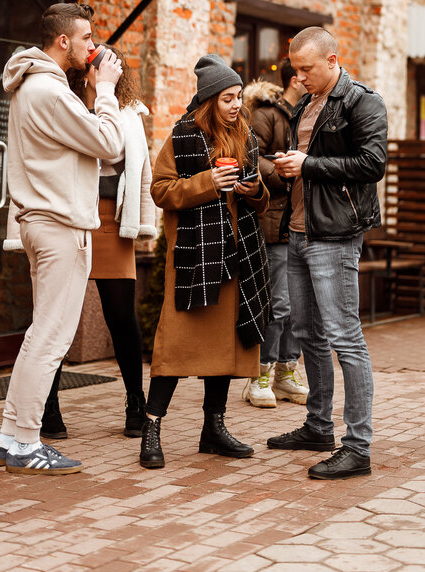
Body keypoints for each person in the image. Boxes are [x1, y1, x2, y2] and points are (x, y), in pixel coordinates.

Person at [0, 3, 124, 475]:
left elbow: (84, 148)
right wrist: (105, 89)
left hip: (41, 221)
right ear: (62, 41)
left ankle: (10, 435)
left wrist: (91, 94)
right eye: (86, 37)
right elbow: (110, 143)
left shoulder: (34, 86)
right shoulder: (49, 89)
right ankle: (26, 442)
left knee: (39, 334)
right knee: (51, 338)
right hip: (59, 226)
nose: (93, 45)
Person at [268, 27, 388, 481]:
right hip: (298, 230)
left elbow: (373, 164)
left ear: (333, 60)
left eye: (307, 69)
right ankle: (318, 426)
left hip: (334, 237)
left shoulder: (362, 101)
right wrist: (288, 166)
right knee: (307, 333)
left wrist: (309, 165)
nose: (298, 78)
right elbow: (310, 165)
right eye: (295, 69)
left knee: (344, 337)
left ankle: (357, 446)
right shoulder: (305, 103)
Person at [139, 54, 270, 469]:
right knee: (175, 348)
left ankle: (213, 428)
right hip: (195, 262)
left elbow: (260, 200)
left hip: (236, 257)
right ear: (210, 99)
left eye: (238, 97)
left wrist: (254, 190)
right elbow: (160, 190)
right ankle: (151, 427)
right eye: (228, 98)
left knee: (224, 350)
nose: (236, 105)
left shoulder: (245, 136)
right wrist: (206, 183)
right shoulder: (181, 136)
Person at [39, 45, 157, 440]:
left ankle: (135, 403)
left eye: (116, 65)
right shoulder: (65, 104)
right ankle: (48, 406)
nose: (112, 69)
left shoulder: (128, 112)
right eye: (104, 64)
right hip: (71, 215)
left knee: (121, 316)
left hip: (110, 220)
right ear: (87, 70)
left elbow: (128, 159)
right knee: (57, 317)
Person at [242, 59, 308, 408]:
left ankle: (286, 371)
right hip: (276, 221)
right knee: (279, 304)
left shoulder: (314, 112)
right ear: (295, 79)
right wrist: (284, 172)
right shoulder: (266, 113)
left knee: (299, 307)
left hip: (307, 221)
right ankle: (260, 375)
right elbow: (250, 156)